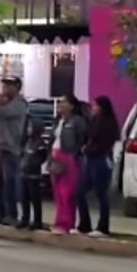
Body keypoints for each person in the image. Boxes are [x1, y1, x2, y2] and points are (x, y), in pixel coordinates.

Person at [77, 96, 121, 237]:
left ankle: (103, 227)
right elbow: (88, 137)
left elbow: (103, 145)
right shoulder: (94, 122)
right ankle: (84, 224)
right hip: (90, 160)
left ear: (102, 107)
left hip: (101, 161)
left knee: (102, 194)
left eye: (95, 106)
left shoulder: (109, 124)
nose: (93, 108)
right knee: (80, 192)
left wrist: (87, 150)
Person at [0, 75, 28, 225]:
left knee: (9, 183)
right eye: (4, 85)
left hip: (11, 148)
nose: (5, 88)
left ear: (17, 87)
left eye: (9, 86)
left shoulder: (19, 104)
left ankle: (11, 214)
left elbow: (2, 113)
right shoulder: (6, 102)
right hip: (0, 146)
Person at [49, 93, 87, 235]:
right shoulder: (58, 121)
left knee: (67, 192)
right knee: (57, 192)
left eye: (64, 102)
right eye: (60, 102)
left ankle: (66, 223)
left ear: (71, 106)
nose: (60, 104)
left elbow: (82, 138)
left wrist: (75, 153)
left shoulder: (77, 121)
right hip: (55, 155)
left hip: (68, 156)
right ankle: (60, 221)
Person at [18, 120, 47, 231]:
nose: (28, 129)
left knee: (35, 199)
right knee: (24, 198)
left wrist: (35, 164)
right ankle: (24, 219)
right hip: (24, 173)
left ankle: (37, 221)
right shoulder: (28, 141)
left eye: (31, 127)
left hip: (34, 175)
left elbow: (42, 157)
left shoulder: (40, 143)